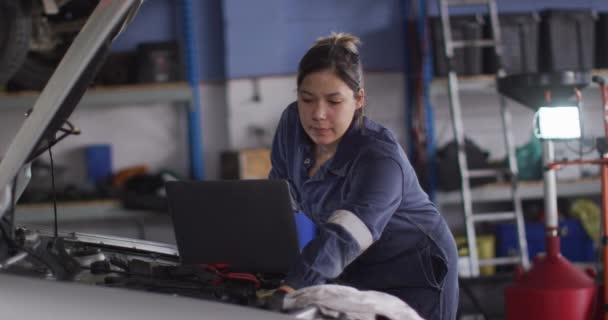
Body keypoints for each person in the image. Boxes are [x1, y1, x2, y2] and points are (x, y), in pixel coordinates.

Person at [268, 32, 459, 320]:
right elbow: (277, 199)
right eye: (307, 99)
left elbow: (347, 233)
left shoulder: (380, 158)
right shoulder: (292, 125)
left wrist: (292, 286)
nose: (318, 114)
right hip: (352, 267)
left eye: (333, 102)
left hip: (415, 274)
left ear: (358, 100)